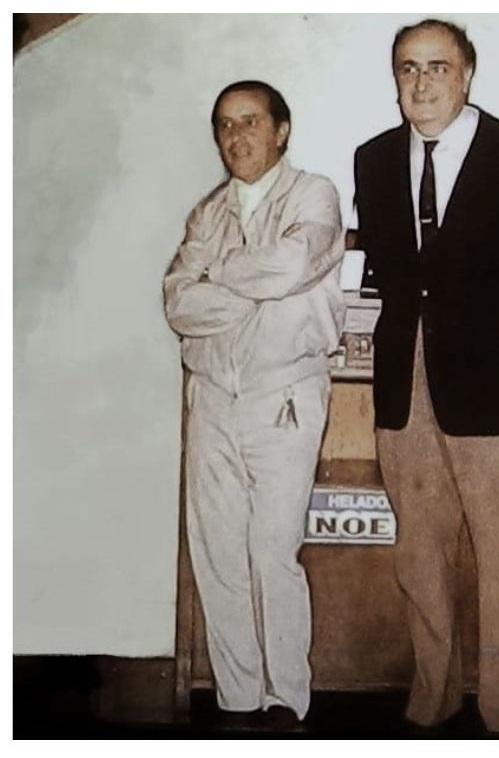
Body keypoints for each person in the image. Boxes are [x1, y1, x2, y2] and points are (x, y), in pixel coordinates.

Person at [353, 19, 499, 733]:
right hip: (406, 388)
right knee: (419, 555)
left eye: (438, 67)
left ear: (468, 74)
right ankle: (434, 698)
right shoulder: (372, 159)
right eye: (408, 68)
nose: (421, 83)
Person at [163, 80, 345, 723]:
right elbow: (178, 304)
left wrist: (217, 273)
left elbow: (293, 265)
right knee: (218, 552)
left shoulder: (313, 194)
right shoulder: (207, 213)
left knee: (273, 550)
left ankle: (285, 700)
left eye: (250, 121)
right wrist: (250, 286)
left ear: (281, 130)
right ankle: (238, 699)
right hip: (212, 395)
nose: (237, 136)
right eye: (225, 125)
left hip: (283, 394)